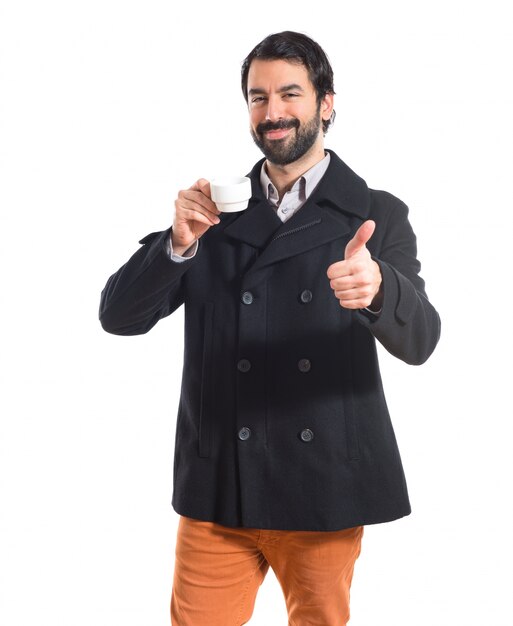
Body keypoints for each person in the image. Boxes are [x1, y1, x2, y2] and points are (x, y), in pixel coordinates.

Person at [99, 30, 440, 626]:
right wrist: (177, 246)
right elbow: (118, 317)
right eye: (258, 97)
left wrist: (380, 289)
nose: (273, 113)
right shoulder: (211, 213)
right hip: (218, 487)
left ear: (326, 102)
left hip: (323, 486)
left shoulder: (375, 213)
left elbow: (422, 341)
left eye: (290, 94)